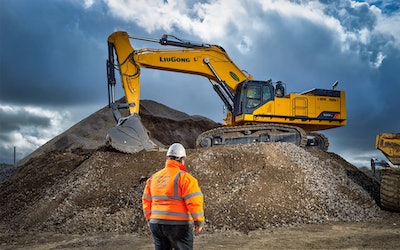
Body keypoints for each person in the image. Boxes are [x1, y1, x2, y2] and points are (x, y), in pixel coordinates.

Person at [142, 143, 205, 250]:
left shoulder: (154, 178)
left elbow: (146, 200)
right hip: (178, 225)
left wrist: (149, 218)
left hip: (156, 224)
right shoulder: (185, 178)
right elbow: (194, 201)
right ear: (182, 160)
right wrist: (199, 221)